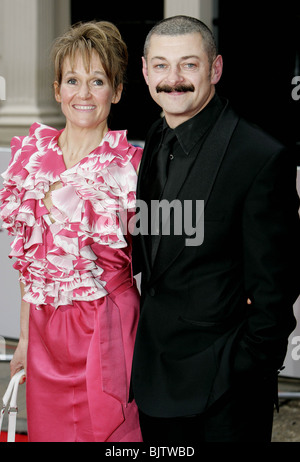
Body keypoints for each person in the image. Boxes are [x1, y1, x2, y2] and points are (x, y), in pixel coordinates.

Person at [131, 15, 300, 442]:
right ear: (146, 72)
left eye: (189, 65)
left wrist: (245, 368)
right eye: (162, 66)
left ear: (216, 69)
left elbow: (276, 288)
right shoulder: (154, 135)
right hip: (155, 377)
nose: (174, 80)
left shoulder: (259, 156)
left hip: (224, 390)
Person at [0, 21, 143, 442]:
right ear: (57, 89)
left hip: (108, 330)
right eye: (73, 80)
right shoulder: (30, 158)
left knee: (114, 437)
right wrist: (25, 338)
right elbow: (30, 265)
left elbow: (161, 259)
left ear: (115, 91)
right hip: (44, 336)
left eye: (97, 81)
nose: (83, 93)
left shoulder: (133, 167)